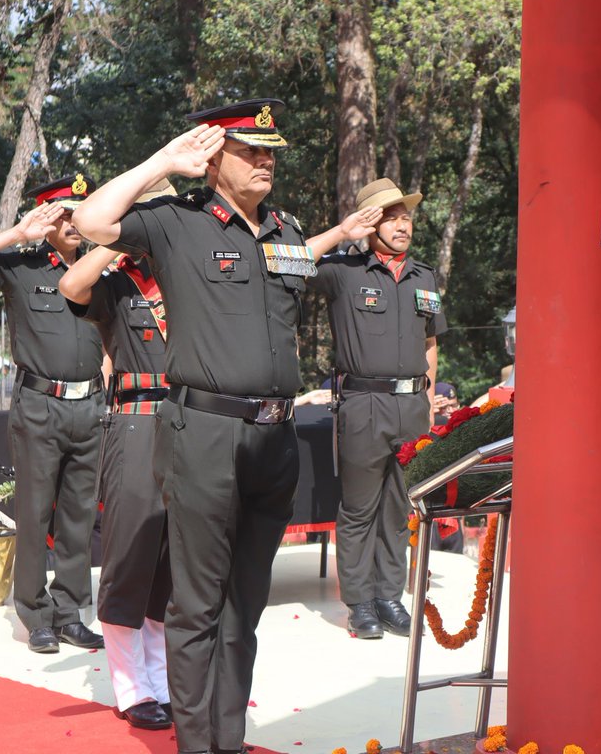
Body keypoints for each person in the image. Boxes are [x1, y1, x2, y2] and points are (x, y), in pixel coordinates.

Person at [71, 98, 382, 754]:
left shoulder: (286, 231)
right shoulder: (175, 224)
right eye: (251, 150)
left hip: (275, 439)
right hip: (205, 436)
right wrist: (164, 161)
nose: (266, 160)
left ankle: (228, 741)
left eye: (271, 150)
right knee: (198, 607)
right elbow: (90, 219)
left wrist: (347, 229)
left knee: (244, 612)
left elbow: (304, 268)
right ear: (214, 160)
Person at [0, 174, 107, 654]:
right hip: (40, 405)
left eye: (81, 210)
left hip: (91, 403)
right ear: (46, 215)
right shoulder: (23, 265)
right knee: (35, 514)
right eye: (64, 212)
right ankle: (35, 614)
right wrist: (19, 233)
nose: (75, 221)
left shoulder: (98, 268)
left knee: (79, 517)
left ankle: (71, 610)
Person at [59, 180, 175, 732]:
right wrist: (120, 236)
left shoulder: (187, 276)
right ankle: (131, 687)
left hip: (188, 421)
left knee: (172, 558)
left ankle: (163, 678)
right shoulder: (115, 284)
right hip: (133, 421)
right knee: (131, 551)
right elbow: (71, 283)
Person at [312, 177, 447, 638]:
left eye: (406, 218)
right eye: (391, 218)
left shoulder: (423, 275)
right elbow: (285, 263)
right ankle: (360, 603)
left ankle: (390, 596)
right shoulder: (343, 270)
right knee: (359, 508)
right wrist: (341, 232)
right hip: (363, 403)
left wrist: (427, 404)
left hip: (411, 404)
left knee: (398, 506)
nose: (402, 226)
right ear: (371, 224)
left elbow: (430, 341)